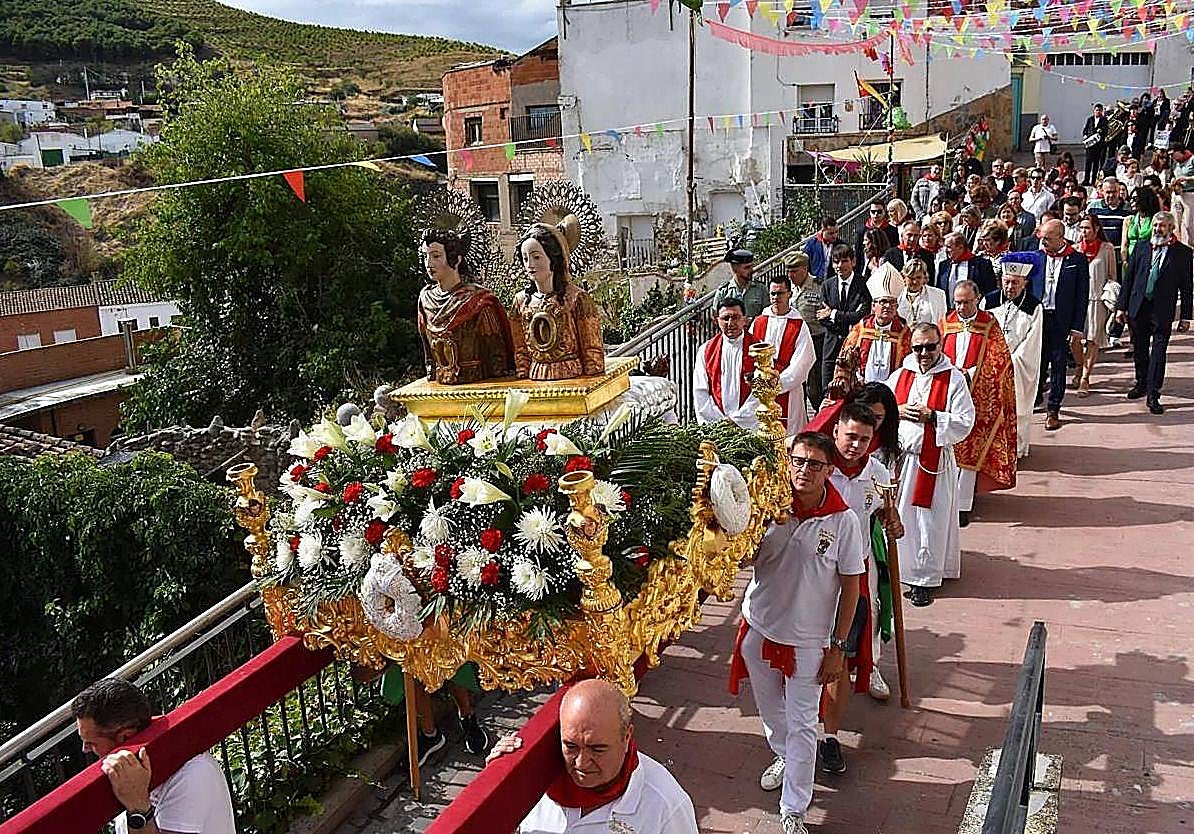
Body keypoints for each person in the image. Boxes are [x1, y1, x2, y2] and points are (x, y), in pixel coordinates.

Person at [728, 431, 864, 834]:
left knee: (803, 722)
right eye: (798, 461)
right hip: (759, 626)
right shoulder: (768, 507)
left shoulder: (843, 521)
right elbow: (744, 557)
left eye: (815, 464)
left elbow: (852, 586)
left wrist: (838, 646)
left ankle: (794, 808)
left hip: (808, 641)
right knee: (770, 708)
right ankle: (785, 756)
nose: (805, 470)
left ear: (829, 471)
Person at [492, 679, 699, 834]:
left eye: (597, 749)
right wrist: (496, 783)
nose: (581, 763)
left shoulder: (666, 805)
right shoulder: (532, 778)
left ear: (626, 737)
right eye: (571, 746)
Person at [818, 404, 904, 776]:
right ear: (836, 431)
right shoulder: (816, 466)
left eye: (864, 440)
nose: (856, 445)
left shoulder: (878, 474)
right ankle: (791, 739)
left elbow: (887, 514)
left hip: (855, 577)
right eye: (850, 436)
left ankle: (829, 737)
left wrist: (893, 521)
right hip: (812, 577)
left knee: (841, 656)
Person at [884, 324, 975, 607]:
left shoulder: (953, 378)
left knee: (928, 521)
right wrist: (897, 410)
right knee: (901, 518)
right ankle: (903, 568)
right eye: (918, 347)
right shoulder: (900, 375)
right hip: (900, 460)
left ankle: (924, 579)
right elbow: (880, 409)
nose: (924, 353)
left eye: (930, 347)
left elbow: (965, 421)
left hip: (932, 462)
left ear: (940, 345)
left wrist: (933, 416)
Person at [73, 678, 236, 834]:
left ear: (125, 737)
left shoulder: (193, 773)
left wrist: (138, 807)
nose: (85, 749)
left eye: (91, 742)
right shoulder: (127, 772)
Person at [940, 280, 1019, 527]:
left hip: (978, 396)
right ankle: (945, 501)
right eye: (957, 302)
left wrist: (970, 374)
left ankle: (963, 506)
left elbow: (999, 361)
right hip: (947, 396)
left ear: (978, 299)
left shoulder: (989, 325)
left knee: (970, 451)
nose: (961, 307)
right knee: (947, 449)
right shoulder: (945, 323)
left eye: (966, 302)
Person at [1116, 211, 1194, 414]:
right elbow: (1129, 278)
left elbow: (1187, 287)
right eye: (1155, 225)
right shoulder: (1142, 247)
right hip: (1139, 306)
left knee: (1159, 352)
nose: (1157, 229)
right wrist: (1121, 307)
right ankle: (1141, 383)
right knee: (1140, 349)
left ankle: (1153, 393)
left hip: (1162, 310)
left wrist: (1186, 316)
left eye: (1162, 226)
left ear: (1171, 228)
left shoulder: (1183, 253)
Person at [417, 228, 515, 385]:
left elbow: (496, 353)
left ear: (456, 259)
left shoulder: (477, 301)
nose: (428, 264)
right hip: (441, 384)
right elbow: (427, 348)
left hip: (477, 383)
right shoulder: (425, 299)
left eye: (436, 256)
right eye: (425, 256)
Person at [511, 221, 605, 381]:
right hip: (535, 377)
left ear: (553, 259)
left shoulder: (576, 298)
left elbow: (592, 349)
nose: (530, 265)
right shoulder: (521, 302)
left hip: (572, 376)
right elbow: (520, 349)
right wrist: (522, 375)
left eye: (536, 257)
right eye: (525, 258)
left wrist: (592, 381)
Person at [988, 255, 1045, 459]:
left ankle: (1015, 448)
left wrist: (1011, 361)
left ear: (1024, 283)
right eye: (1006, 282)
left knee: (1017, 407)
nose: (1010, 287)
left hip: (1017, 366)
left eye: (1015, 283)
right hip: (991, 364)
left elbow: (1032, 341)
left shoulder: (1034, 306)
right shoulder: (989, 300)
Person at [1037, 219, 1090, 431]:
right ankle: (1035, 397)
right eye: (1042, 238)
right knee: (1037, 362)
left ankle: (1053, 408)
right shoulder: (1037, 257)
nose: (1044, 242)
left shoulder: (1077, 260)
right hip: (1039, 318)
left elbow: (1082, 296)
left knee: (1058, 364)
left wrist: (1077, 327)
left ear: (1061, 237)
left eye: (1048, 239)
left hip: (1061, 319)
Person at [751, 274, 817, 434]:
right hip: (761, 388)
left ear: (789, 294)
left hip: (788, 390)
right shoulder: (759, 322)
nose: (776, 297)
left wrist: (777, 383)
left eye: (780, 293)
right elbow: (748, 354)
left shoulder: (799, 325)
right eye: (773, 293)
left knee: (789, 434)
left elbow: (803, 361)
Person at [839, 263, 913, 387]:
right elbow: (844, 362)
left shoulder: (904, 333)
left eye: (892, 302)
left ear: (897, 307)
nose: (888, 306)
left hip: (891, 390)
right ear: (873, 306)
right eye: (883, 302)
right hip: (862, 388)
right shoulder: (861, 330)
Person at [694, 297, 761, 428]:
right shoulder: (705, 350)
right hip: (717, 426)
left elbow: (762, 392)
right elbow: (700, 391)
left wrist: (738, 420)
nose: (730, 323)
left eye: (735, 317)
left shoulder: (759, 349)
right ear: (717, 320)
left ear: (745, 319)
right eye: (725, 318)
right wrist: (719, 422)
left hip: (750, 424)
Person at [1073, 213, 1118, 397]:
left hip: (1096, 301)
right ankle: (1079, 366)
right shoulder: (1075, 249)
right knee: (1074, 340)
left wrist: (1111, 300)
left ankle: (1085, 378)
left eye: (1087, 228)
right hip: (1077, 301)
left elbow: (1112, 276)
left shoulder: (1107, 248)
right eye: (1082, 228)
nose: (1084, 231)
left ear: (1096, 229)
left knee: (1092, 341)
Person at [817, 244, 872, 394]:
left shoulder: (864, 284)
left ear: (853, 262)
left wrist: (834, 314)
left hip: (854, 346)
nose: (840, 266)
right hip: (831, 345)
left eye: (844, 261)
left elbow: (862, 315)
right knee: (827, 389)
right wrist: (847, 318)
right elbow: (822, 318)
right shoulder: (827, 285)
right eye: (836, 262)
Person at [788, 252, 827, 406]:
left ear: (805, 269)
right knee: (798, 385)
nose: (791, 275)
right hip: (795, 343)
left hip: (815, 340)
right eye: (789, 271)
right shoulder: (789, 289)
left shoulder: (819, 286)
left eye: (794, 271)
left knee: (815, 387)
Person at [936, 231, 997, 301]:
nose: (946, 250)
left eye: (949, 247)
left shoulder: (981, 264)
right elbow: (939, 291)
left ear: (960, 247)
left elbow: (990, 290)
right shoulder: (943, 265)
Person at [713, 248, 767, 319]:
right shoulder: (723, 292)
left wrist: (751, 320)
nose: (751, 270)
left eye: (752, 266)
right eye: (747, 267)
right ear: (735, 268)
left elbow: (767, 314)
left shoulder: (761, 289)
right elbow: (717, 317)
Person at [853, 200, 899, 279]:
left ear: (884, 212)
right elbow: (858, 254)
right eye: (873, 212)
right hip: (864, 271)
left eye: (879, 212)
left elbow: (894, 252)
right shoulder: (861, 231)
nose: (876, 214)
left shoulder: (892, 231)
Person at [898, 258, 948, 327]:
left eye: (918, 277)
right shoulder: (897, 295)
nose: (915, 282)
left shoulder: (938, 294)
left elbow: (942, 323)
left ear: (924, 277)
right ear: (904, 277)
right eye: (911, 278)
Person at [1088, 177, 1131, 253]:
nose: (1111, 195)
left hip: (1119, 252)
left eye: (1114, 192)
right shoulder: (1093, 207)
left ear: (1119, 191)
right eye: (1108, 192)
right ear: (1102, 191)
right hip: (1098, 252)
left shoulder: (1128, 208)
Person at [1122, 187, 1161, 269]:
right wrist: (1124, 261)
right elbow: (1124, 244)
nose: (1131, 201)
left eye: (1135, 199)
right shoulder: (1129, 220)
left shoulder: (1154, 220)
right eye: (1130, 198)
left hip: (1147, 260)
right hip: (1129, 261)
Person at [1171, 144, 1194, 247]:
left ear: (1180, 151)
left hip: (1189, 193)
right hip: (1177, 193)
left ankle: (1191, 244)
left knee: (1189, 224)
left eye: (1173, 154)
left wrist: (1186, 178)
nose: (1172, 157)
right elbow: (1173, 175)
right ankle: (1177, 244)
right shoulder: (1175, 164)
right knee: (1176, 221)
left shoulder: (1192, 159)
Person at [802, 216, 839, 281]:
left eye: (836, 232)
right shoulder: (812, 244)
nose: (834, 235)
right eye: (831, 233)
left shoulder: (840, 244)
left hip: (832, 281)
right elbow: (804, 262)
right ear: (823, 231)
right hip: (815, 281)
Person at [1083, 103, 1110, 185]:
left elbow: (1106, 131)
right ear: (1094, 111)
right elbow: (1085, 129)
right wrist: (1085, 135)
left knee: (1096, 164)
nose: (1098, 112)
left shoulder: (1104, 120)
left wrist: (1101, 130)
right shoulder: (1090, 119)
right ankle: (1086, 180)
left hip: (1098, 145)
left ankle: (1094, 180)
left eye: (1099, 110)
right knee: (1088, 163)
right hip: (1090, 145)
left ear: (1102, 111)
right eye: (1097, 110)